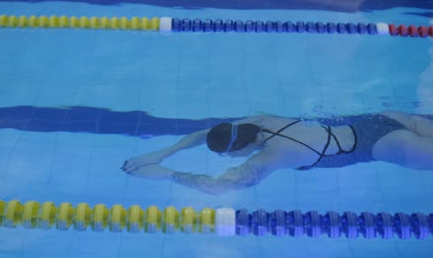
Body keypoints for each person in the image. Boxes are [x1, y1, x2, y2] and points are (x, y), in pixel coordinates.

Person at [121, 111, 433, 194]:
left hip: (391, 147)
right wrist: (162, 152)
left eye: (226, 156)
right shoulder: (257, 121)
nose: (228, 160)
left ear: (239, 149)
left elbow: (218, 188)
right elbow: (205, 133)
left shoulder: (271, 157)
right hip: (381, 119)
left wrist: (167, 174)